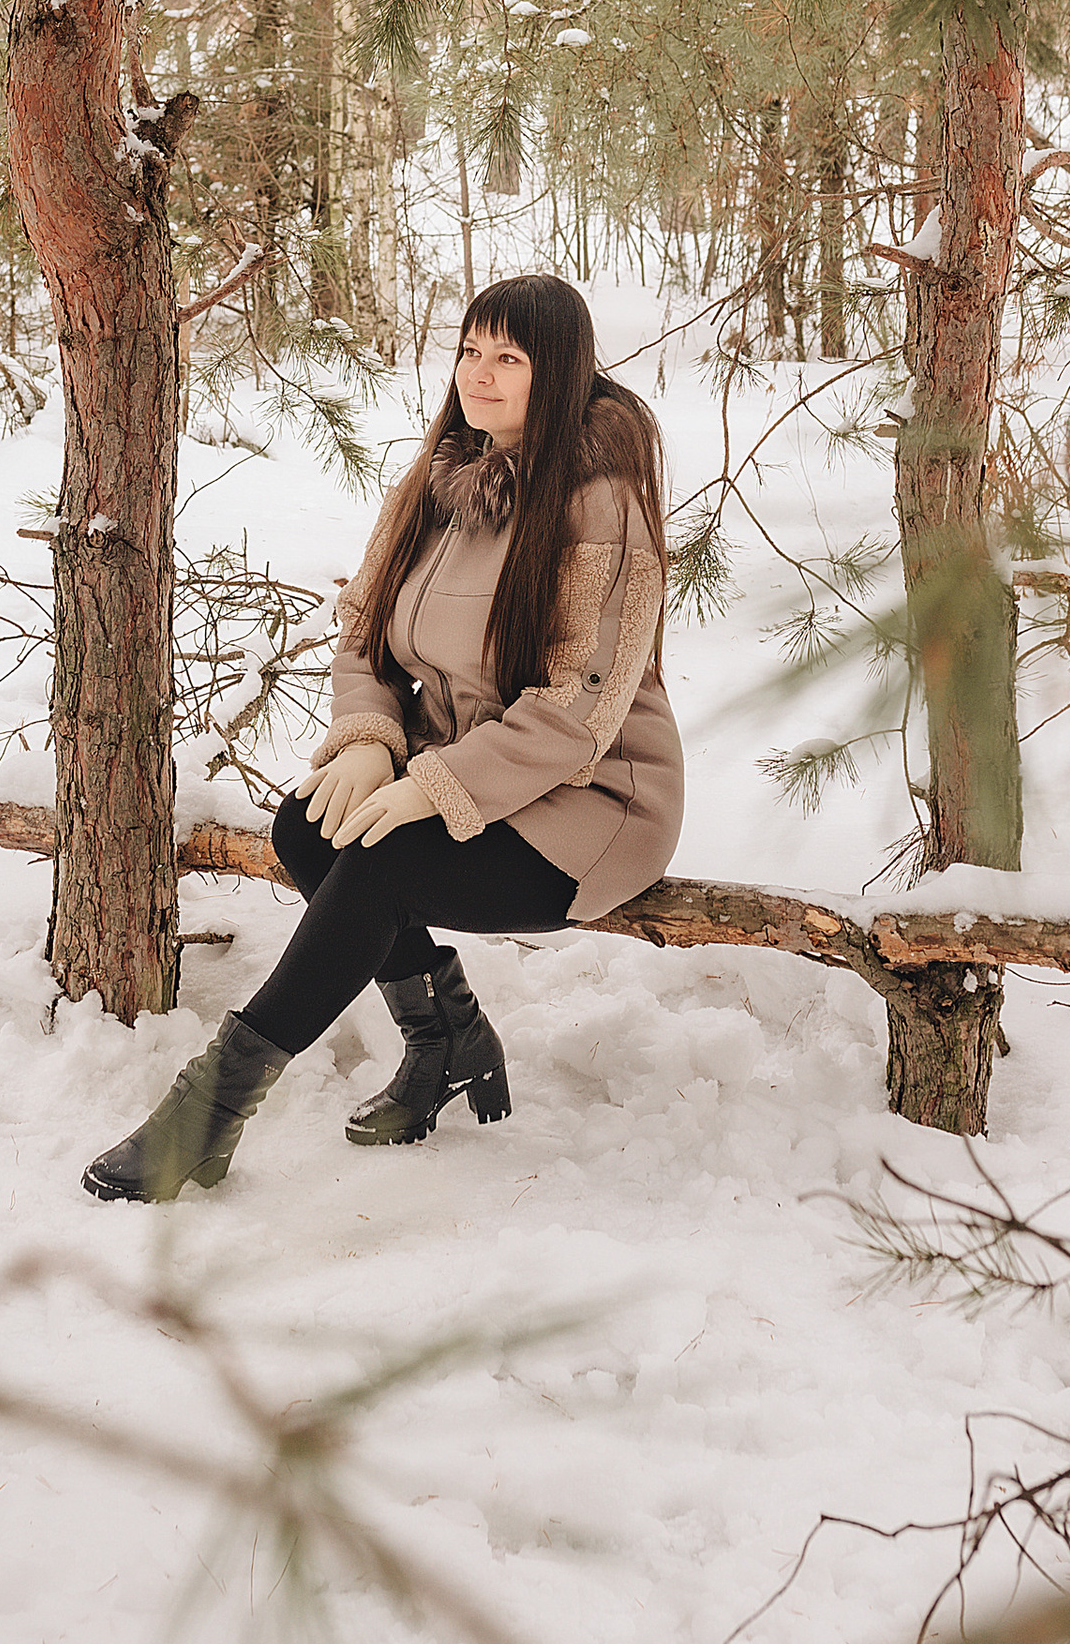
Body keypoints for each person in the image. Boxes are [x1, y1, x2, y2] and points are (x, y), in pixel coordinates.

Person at [84, 274, 684, 1202]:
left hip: (592, 803)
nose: (479, 376)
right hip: (466, 778)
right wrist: (370, 739)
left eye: (509, 358)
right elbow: (365, 630)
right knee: (308, 830)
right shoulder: (443, 478)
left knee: (383, 863)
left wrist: (439, 784)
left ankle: (207, 1111)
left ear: (557, 372)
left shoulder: (601, 502)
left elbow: (579, 706)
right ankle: (445, 1040)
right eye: (470, 350)